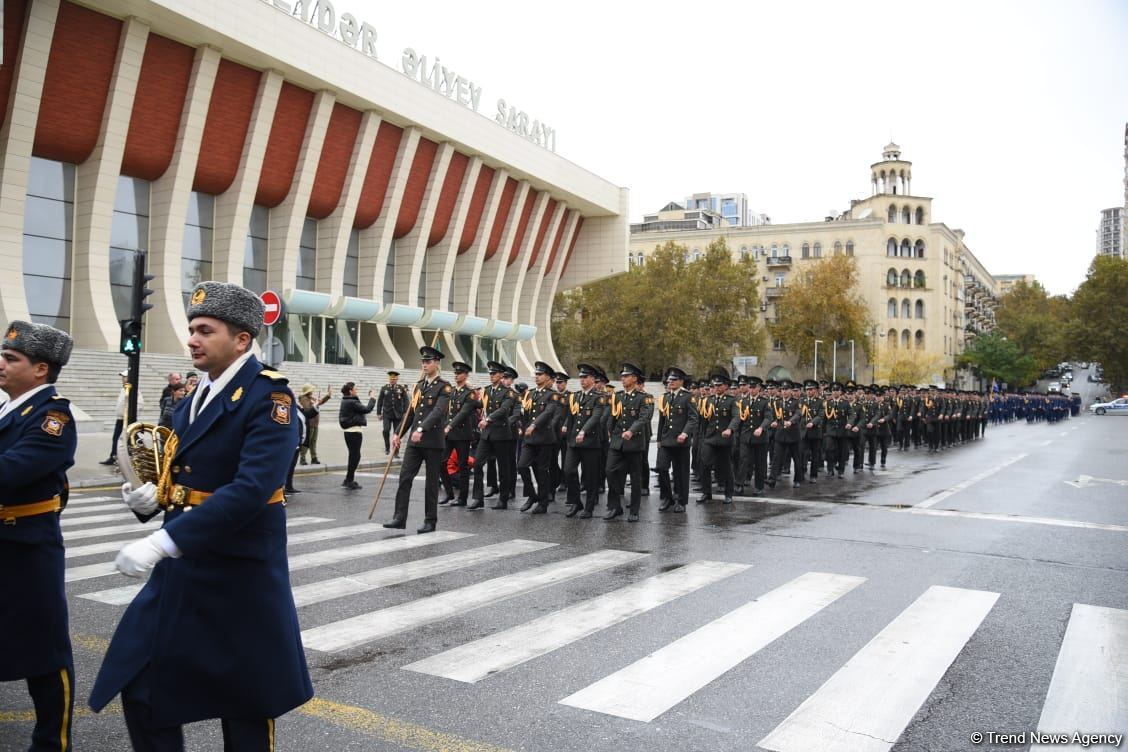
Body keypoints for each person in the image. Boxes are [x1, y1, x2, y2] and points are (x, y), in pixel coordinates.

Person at [89, 281, 312, 752]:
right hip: (185, 570)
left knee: (246, 708)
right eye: (192, 329)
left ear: (242, 340)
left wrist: (161, 543)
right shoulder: (193, 398)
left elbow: (251, 490)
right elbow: (182, 476)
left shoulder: (270, 398)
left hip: (238, 574)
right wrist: (152, 501)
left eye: (204, 330)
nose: (191, 338)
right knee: (141, 687)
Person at [0, 320, 77, 752]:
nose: (2, 364)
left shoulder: (53, 417)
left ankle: (53, 742)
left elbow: (11, 471)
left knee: (45, 653)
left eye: (11, 359)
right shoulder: (9, 409)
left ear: (40, 370)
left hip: (28, 548)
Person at [385, 346, 451, 534]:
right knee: (404, 477)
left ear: (437, 363)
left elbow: (438, 412)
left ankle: (430, 520)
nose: (425, 364)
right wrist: (398, 433)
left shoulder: (444, 387)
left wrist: (422, 429)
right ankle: (399, 517)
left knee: (431, 483)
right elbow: (411, 413)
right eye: (423, 361)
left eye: (428, 361)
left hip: (432, 441)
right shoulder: (419, 386)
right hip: (414, 442)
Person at [604, 362, 654, 521]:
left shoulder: (643, 398)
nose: (623, 379)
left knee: (635, 477)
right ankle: (615, 507)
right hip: (617, 441)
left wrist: (631, 430)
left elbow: (644, 417)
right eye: (622, 376)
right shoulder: (617, 396)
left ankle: (634, 511)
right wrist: (609, 430)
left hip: (634, 442)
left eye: (626, 376)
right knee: (610, 471)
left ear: (634, 378)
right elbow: (613, 416)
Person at [516, 361, 565, 514]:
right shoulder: (530, 394)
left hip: (544, 438)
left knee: (542, 471)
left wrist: (533, 425)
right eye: (536, 374)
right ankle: (532, 495)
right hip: (529, 439)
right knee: (522, 466)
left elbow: (548, 413)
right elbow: (525, 413)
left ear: (548, 377)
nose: (536, 377)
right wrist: (521, 425)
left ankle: (543, 503)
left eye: (540, 374)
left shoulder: (553, 396)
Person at [562, 363, 608, 518]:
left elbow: (596, 416)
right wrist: (565, 426)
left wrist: (583, 431)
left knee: (590, 476)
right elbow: (571, 416)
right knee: (568, 471)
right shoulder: (575, 396)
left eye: (585, 377)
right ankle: (576, 502)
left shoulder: (599, 398)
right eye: (580, 377)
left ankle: (589, 507)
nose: (582, 380)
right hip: (574, 441)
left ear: (593, 379)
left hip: (591, 442)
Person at [471, 362, 517, 511]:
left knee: (503, 468)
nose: (491, 376)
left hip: (501, 434)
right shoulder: (487, 390)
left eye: (494, 374)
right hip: (487, 435)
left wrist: (488, 419)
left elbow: (504, 410)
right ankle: (478, 498)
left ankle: (503, 498)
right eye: (490, 373)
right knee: (477, 464)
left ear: (501, 375)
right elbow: (479, 405)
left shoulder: (508, 393)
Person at [655, 366, 698, 512]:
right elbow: (662, 419)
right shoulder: (665, 397)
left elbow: (693, 419)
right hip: (666, 440)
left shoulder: (688, 397)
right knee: (661, 468)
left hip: (681, 441)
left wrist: (685, 433)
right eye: (669, 380)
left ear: (681, 381)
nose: (670, 382)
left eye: (673, 380)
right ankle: (667, 497)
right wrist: (659, 439)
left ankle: (681, 500)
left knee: (681, 472)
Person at [697, 370, 739, 504]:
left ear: (726, 386)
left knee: (726, 466)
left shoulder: (732, 401)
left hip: (724, 439)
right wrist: (700, 437)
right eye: (715, 385)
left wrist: (730, 429)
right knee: (704, 464)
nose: (716, 388)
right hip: (709, 438)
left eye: (719, 385)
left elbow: (736, 417)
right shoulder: (707, 400)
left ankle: (729, 494)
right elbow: (703, 420)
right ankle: (706, 493)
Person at [441, 362, 480, 507]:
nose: (456, 375)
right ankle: (450, 493)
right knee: (441, 462)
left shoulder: (469, 393)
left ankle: (462, 498)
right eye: (455, 373)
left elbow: (463, 413)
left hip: (462, 434)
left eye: (459, 373)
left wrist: (449, 426)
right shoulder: (452, 391)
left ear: (466, 375)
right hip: (449, 434)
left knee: (463, 466)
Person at [339, 382, 376, 490]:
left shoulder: (348, 400)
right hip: (353, 432)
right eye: (355, 389)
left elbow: (359, 406)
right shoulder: (351, 402)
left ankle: (348, 479)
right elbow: (367, 409)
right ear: (350, 391)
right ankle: (349, 480)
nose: (357, 390)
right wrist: (372, 398)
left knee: (353, 456)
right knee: (355, 457)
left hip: (350, 431)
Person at [102, 369, 144, 465]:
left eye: (125, 377)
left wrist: (131, 415)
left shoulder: (134, 390)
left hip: (128, 419)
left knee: (128, 439)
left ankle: (130, 457)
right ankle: (114, 456)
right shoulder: (123, 389)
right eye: (123, 377)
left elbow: (140, 404)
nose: (123, 379)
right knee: (117, 438)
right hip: (121, 418)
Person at [297, 383, 331, 465]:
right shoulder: (303, 398)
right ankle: (302, 458)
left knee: (313, 441)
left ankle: (314, 457)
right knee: (307, 441)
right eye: (311, 390)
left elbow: (320, 402)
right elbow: (307, 409)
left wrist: (327, 396)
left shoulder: (311, 398)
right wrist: (316, 403)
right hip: (309, 423)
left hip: (315, 423)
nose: (312, 391)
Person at [377, 371, 408, 455]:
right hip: (387, 413)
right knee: (386, 430)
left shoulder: (401, 388)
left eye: (394, 379)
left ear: (397, 379)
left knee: (397, 433)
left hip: (398, 414)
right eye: (391, 379)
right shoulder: (384, 388)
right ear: (389, 379)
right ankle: (387, 447)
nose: (392, 380)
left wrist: (405, 412)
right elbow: (380, 401)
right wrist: (379, 413)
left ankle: (396, 451)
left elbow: (406, 400)